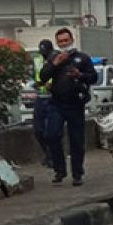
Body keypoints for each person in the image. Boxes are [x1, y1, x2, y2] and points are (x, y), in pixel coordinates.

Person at [37, 28, 98, 185]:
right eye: (61, 41)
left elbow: (93, 77)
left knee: (76, 140)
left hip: (76, 104)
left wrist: (80, 75)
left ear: (72, 40)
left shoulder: (82, 58)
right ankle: (59, 170)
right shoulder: (54, 58)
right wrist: (54, 64)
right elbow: (43, 77)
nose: (64, 43)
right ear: (57, 43)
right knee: (51, 135)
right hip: (57, 103)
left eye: (66, 40)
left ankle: (77, 174)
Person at [32, 40, 57, 167]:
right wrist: (37, 84)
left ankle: (53, 157)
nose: (43, 54)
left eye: (45, 52)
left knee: (50, 131)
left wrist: (53, 85)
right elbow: (36, 77)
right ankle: (47, 154)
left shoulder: (57, 60)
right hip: (40, 98)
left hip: (53, 98)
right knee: (38, 130)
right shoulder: (37, 61)